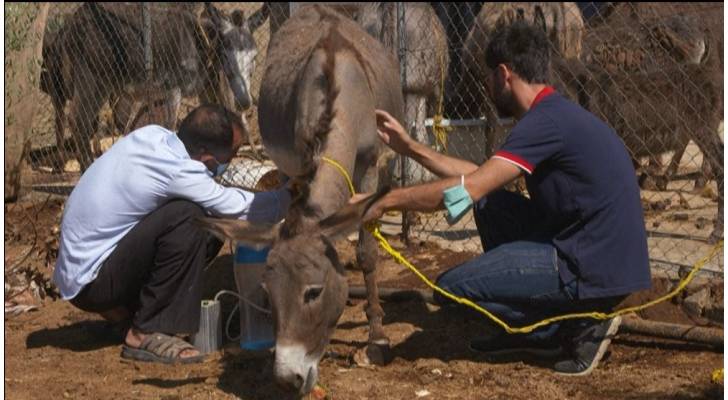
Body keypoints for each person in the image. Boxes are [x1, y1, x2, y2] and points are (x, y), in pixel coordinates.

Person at [358, 21, 651, 376]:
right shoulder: (551, 114)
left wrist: (383, 200)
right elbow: (480, 177)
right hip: (594, 251)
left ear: (503, 74)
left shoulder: (544, 123)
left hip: (587, 265)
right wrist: (410, 148)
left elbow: (467, 188)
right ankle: (546, 331)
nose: (486, 86)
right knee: (489, 202)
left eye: (488, 78)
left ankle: (574, 325)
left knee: (451, 290)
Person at [53, 104, 291, 364]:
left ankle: (123, 315)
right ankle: (146, 332)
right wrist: (291, 197)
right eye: (232, 154)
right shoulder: (179, 171)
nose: (232, 161)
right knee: (192, 218)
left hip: (80, 274)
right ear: (205, 155)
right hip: (94, 283)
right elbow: (238, 209)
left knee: (194, 216)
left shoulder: (153, 136)